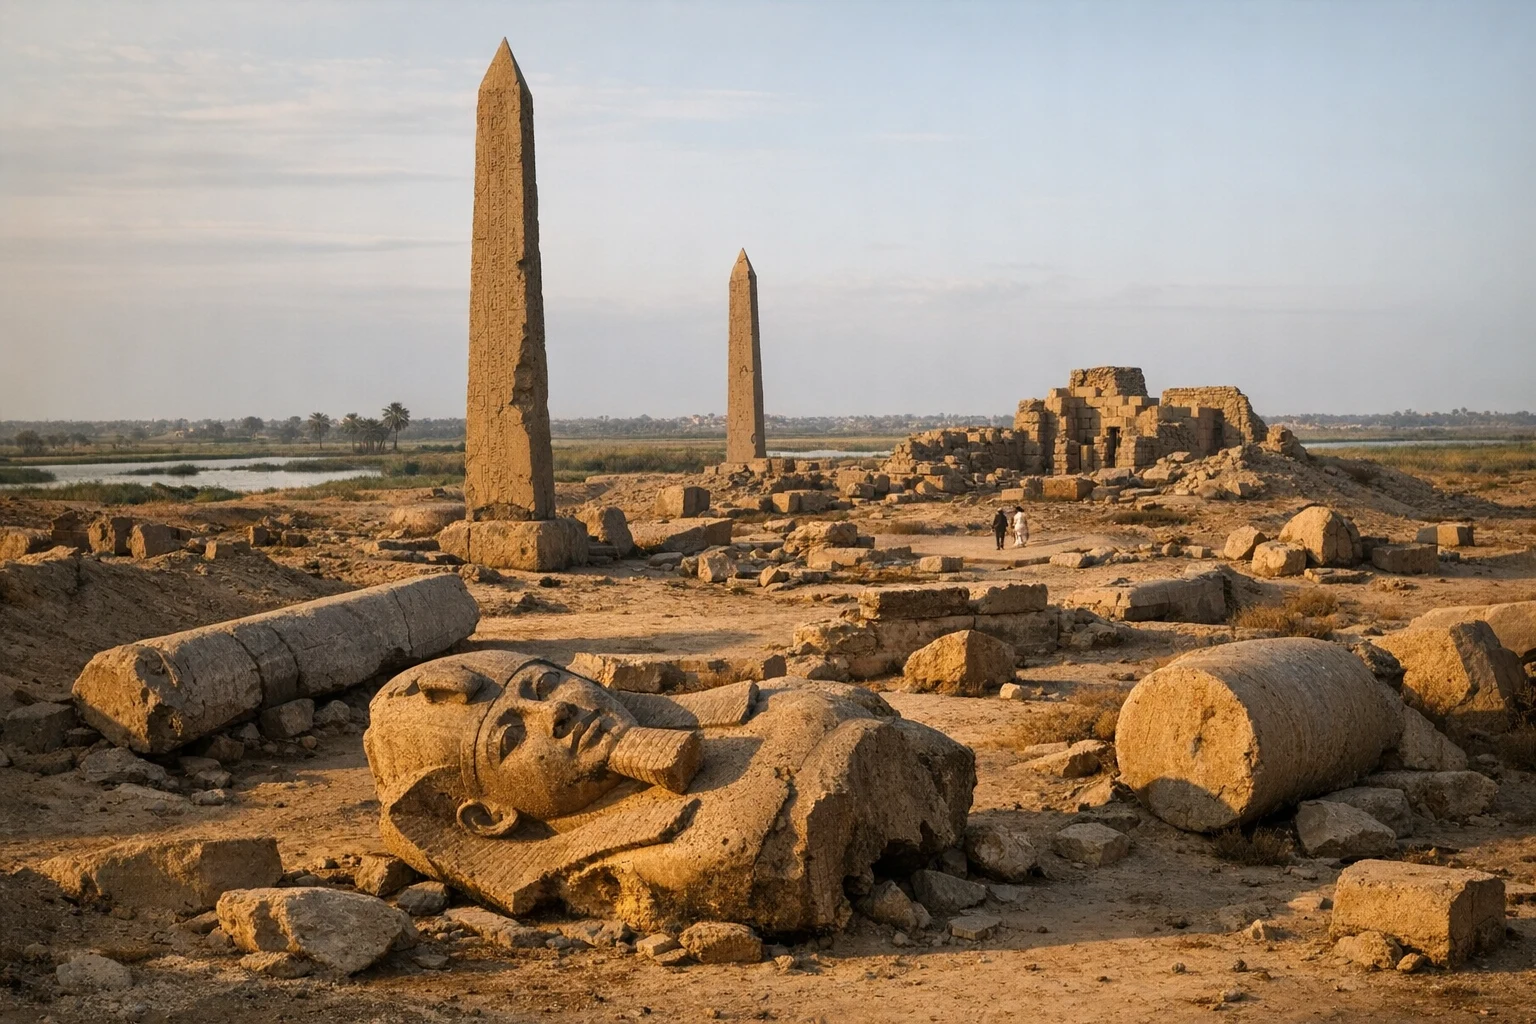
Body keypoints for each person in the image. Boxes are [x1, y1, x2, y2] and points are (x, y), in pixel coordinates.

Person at [364, 651, 974, 935]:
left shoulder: (768, 700)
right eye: (510, 737)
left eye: (547, 684)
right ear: (490, 816)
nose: (555, 715)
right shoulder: (693, 850)